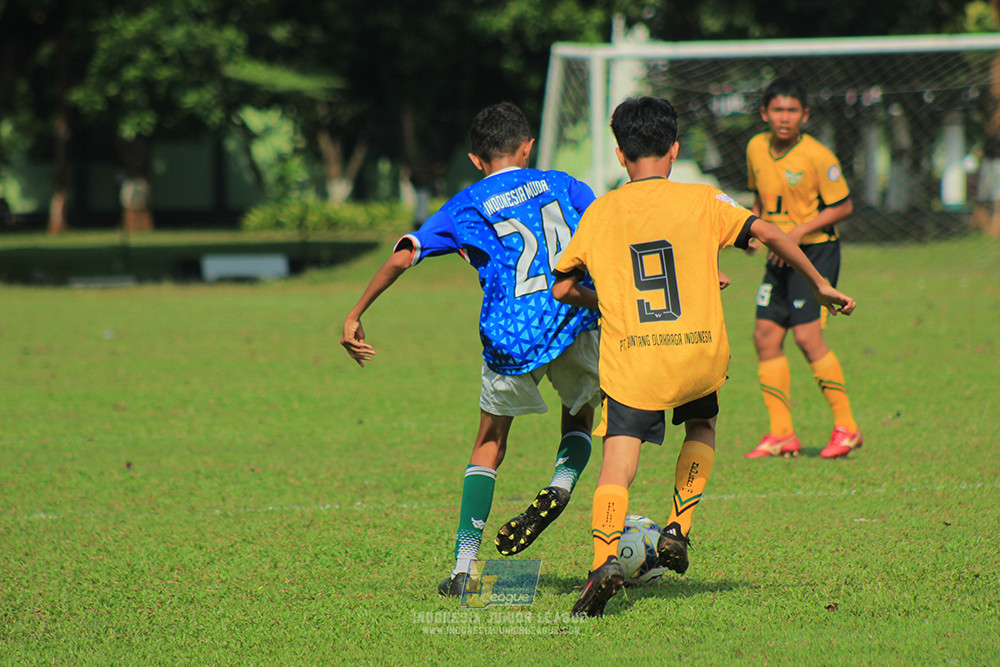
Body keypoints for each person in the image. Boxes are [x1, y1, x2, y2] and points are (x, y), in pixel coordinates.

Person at [550, 96, 856, 617]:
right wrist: (819, 282)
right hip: (696, 354)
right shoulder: (704, 199)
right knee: (701, 426)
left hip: (633, 361)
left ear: (621, 154)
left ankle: (603, 562)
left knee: (618, 465)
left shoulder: (601, 211)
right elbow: (766, 232)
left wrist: (607, 300)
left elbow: (561, 288)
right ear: (674, 149)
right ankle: (678, 526)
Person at [341, 102, 601, 597]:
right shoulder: (565, 184)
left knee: (490, 442)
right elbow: (609, 230)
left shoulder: (466, 204)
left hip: (511, 334)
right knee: (581, 415)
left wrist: (356, 313)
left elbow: (405, 255)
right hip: (574, 316)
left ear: (476, 159)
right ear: (527, 147)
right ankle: (561, 485)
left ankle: (465, 568)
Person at [743, 77, 863, 459]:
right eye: (777, 110)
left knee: (808, 339)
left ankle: (847, 428)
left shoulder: (818, 156)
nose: (785, 117)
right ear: (764, 113)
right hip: (777, 254)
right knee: (765, 336)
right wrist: (754, 230)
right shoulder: (755, 148)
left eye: (792, 110)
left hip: (815, 252)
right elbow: (759, 198)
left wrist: (796, 232)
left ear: (805, 115)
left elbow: (843, 206)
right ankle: (781, 433)